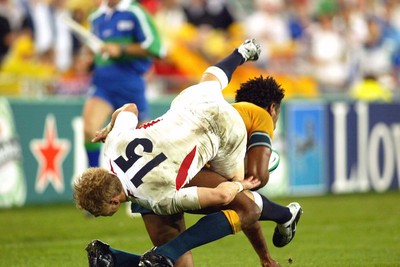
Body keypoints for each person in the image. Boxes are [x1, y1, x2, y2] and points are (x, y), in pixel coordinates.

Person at [77, 40, 302, 267]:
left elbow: (222, 196)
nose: (98, 216)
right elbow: (130, 108)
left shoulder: (157, 199)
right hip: (190, 104)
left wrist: (238, 186)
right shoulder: (114, 145)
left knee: (248, 198)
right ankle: (241, 52)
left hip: (222, 130)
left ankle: (141, 256)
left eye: (99, 212)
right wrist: (110, 127)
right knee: (210, 81)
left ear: (114, 202)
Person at [82, 0, 165, 168]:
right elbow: (96, 51)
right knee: (90, 130)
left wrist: (122, 49)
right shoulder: (96, 17)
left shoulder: (135, 12)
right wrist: (88, 60)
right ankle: (93, 183)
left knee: (142, 139)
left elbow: (157, 47)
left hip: (130, 84)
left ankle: (153, 182)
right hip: (102, 85)